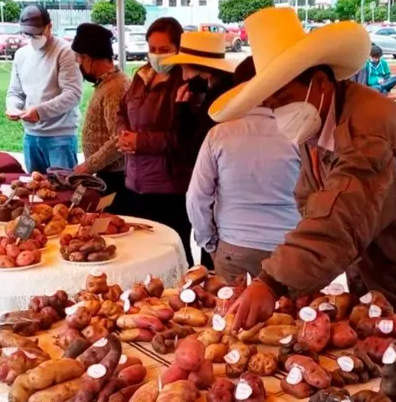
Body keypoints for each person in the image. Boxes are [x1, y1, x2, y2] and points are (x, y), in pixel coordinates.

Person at [209, 7, 396, 379]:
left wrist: (273, 281)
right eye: (271, 104)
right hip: (389, 267)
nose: (278, 112)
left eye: (282, 98)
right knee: (394, 369)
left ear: (319, 81)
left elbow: (341, 216)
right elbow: (314, 206)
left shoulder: (368, 132)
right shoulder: (315, 123)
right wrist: (303, 274)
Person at [186, 58, 301, 281]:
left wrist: (208, 241)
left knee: (230, 314)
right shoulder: (299, 135)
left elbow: (196, 198)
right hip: (288, 248)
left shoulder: (219, 135)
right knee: (290, 314)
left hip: (234, 246)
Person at [116, 18, 191, 264]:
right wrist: (124, 135)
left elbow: (184, 138)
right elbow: (122, 110)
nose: (157, 56)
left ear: (179, 49)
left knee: (170, 256)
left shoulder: (186, 83)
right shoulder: (141, 75)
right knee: (137, 255)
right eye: (152, 49)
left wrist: (141, 142)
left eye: (164, 50)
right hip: (135, 182)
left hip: (168, 186)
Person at [162, 30, 238, 268]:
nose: (183, 76)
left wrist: (182, 109)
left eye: (186, 69)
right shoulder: (219, 92)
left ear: (204, 70)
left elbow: (190, 149)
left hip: (220, 203)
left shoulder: (217, 101)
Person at [6, 5, 82, 173]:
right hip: (31, 136)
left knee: (64, 191)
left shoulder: (66, 52)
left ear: (50, 26)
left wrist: (40, 111)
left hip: (60, 137)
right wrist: (13, 107)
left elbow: (73, 94)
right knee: (34, 192)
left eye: (38, 33)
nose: (34, 38)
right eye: (29, 34)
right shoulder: (21, 54)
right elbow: (15, 92)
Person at [70, 23, 130, 203]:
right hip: (107, 173)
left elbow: (119, 139)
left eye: (79, 59)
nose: (78, 64)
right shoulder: (109, 83)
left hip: (114, 178)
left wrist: (88, 166)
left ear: (88, 58)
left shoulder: (115, 88)